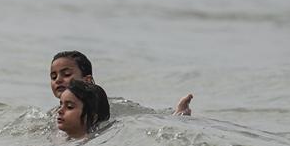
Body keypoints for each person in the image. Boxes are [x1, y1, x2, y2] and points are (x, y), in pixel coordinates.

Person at [49, 50, 193, 115]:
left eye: (66, 74)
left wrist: (178, 115)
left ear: (88, 80)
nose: (58, 80)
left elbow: (148, 116)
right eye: (53, 76)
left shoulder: (110, 107)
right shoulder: (55, 114)